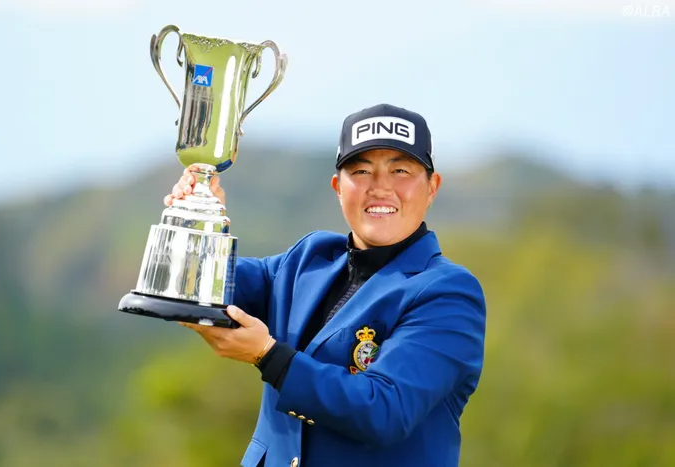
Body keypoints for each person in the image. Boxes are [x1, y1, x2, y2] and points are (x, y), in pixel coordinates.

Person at [165, 103, 487, 467]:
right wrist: (196, 220)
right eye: (361, 171)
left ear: (432, 187)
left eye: (400, 170)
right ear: (338, 187)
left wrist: (268, 356)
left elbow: (385, 409)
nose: (381, 187)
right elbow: (200, 286)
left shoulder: (449, 292)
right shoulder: (310, 258)